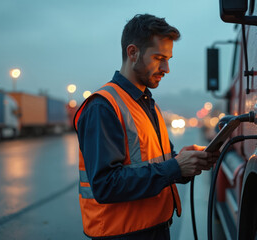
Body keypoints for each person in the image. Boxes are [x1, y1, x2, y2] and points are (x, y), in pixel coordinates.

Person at [74, 14, 218, 240]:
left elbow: (155, 162)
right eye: (159, 57)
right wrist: (174, 168)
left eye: (168, 59)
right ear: (133, 53)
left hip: (156, 229)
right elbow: (105, 185)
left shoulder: (148, 104)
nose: (166, 68)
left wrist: (184, 161)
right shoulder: (102, 107)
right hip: (123, 234)